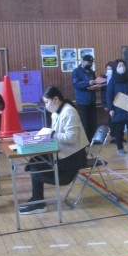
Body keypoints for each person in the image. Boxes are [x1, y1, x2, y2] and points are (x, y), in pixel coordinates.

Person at [21, 86, 89, 215]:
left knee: (36, 168)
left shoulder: (69, 112)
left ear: (56, 99)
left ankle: (38, 202)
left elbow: (72, 138)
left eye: (47, 102)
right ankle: (37, 199)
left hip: (72, 157)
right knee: (34, 161)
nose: (46, 105)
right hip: (61, 152)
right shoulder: (56, 112)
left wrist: (52, 134)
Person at [72, 54, 106, 142]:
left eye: (91, 63)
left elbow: (94, 82)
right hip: (82, 101)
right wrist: (88, 83)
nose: (90, 64)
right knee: (85, 122)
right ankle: (86, 141)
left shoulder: (91, 71)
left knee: (93, 121)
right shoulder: (76, 72)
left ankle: (93, 139)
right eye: (88, 63)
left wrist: (97, 86)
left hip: (92, 100)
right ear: (82, 61)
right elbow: (76, 84)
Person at [106, 59, 128, 154]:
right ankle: (120, 148)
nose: (121, 67)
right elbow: (109, 95)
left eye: (123, 65)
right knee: (119, 129)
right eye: (119, 66)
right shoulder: (113, 80)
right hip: (118, 108)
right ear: (116, 68)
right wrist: (110, 108)